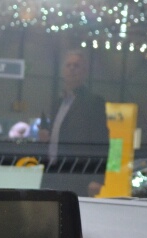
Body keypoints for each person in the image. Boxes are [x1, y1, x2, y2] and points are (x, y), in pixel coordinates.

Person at [47, 49, 109, 190]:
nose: (72, 69)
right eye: (68, 65)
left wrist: (97, 178)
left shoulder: (94, 102)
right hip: (52, 173)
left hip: (77, 176)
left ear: (84, 71)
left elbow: (102, 141)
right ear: (63, 71)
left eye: (76, 65)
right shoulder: (57, 103)